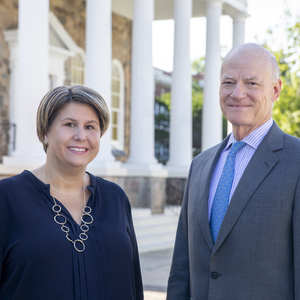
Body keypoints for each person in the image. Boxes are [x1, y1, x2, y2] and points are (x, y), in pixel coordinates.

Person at [167, 43, 300, 300]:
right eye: (228, 82)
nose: (238, 93)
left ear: (275, 90)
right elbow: (182, 266)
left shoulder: (296, 160)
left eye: (251, 83)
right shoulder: (200, 165)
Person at [0, 85, 143, 300]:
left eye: (90, 127)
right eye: (70, 124)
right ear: (45, 132)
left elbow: (134, 283)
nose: (81, 136)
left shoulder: (115, 198)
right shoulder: (7, 198)